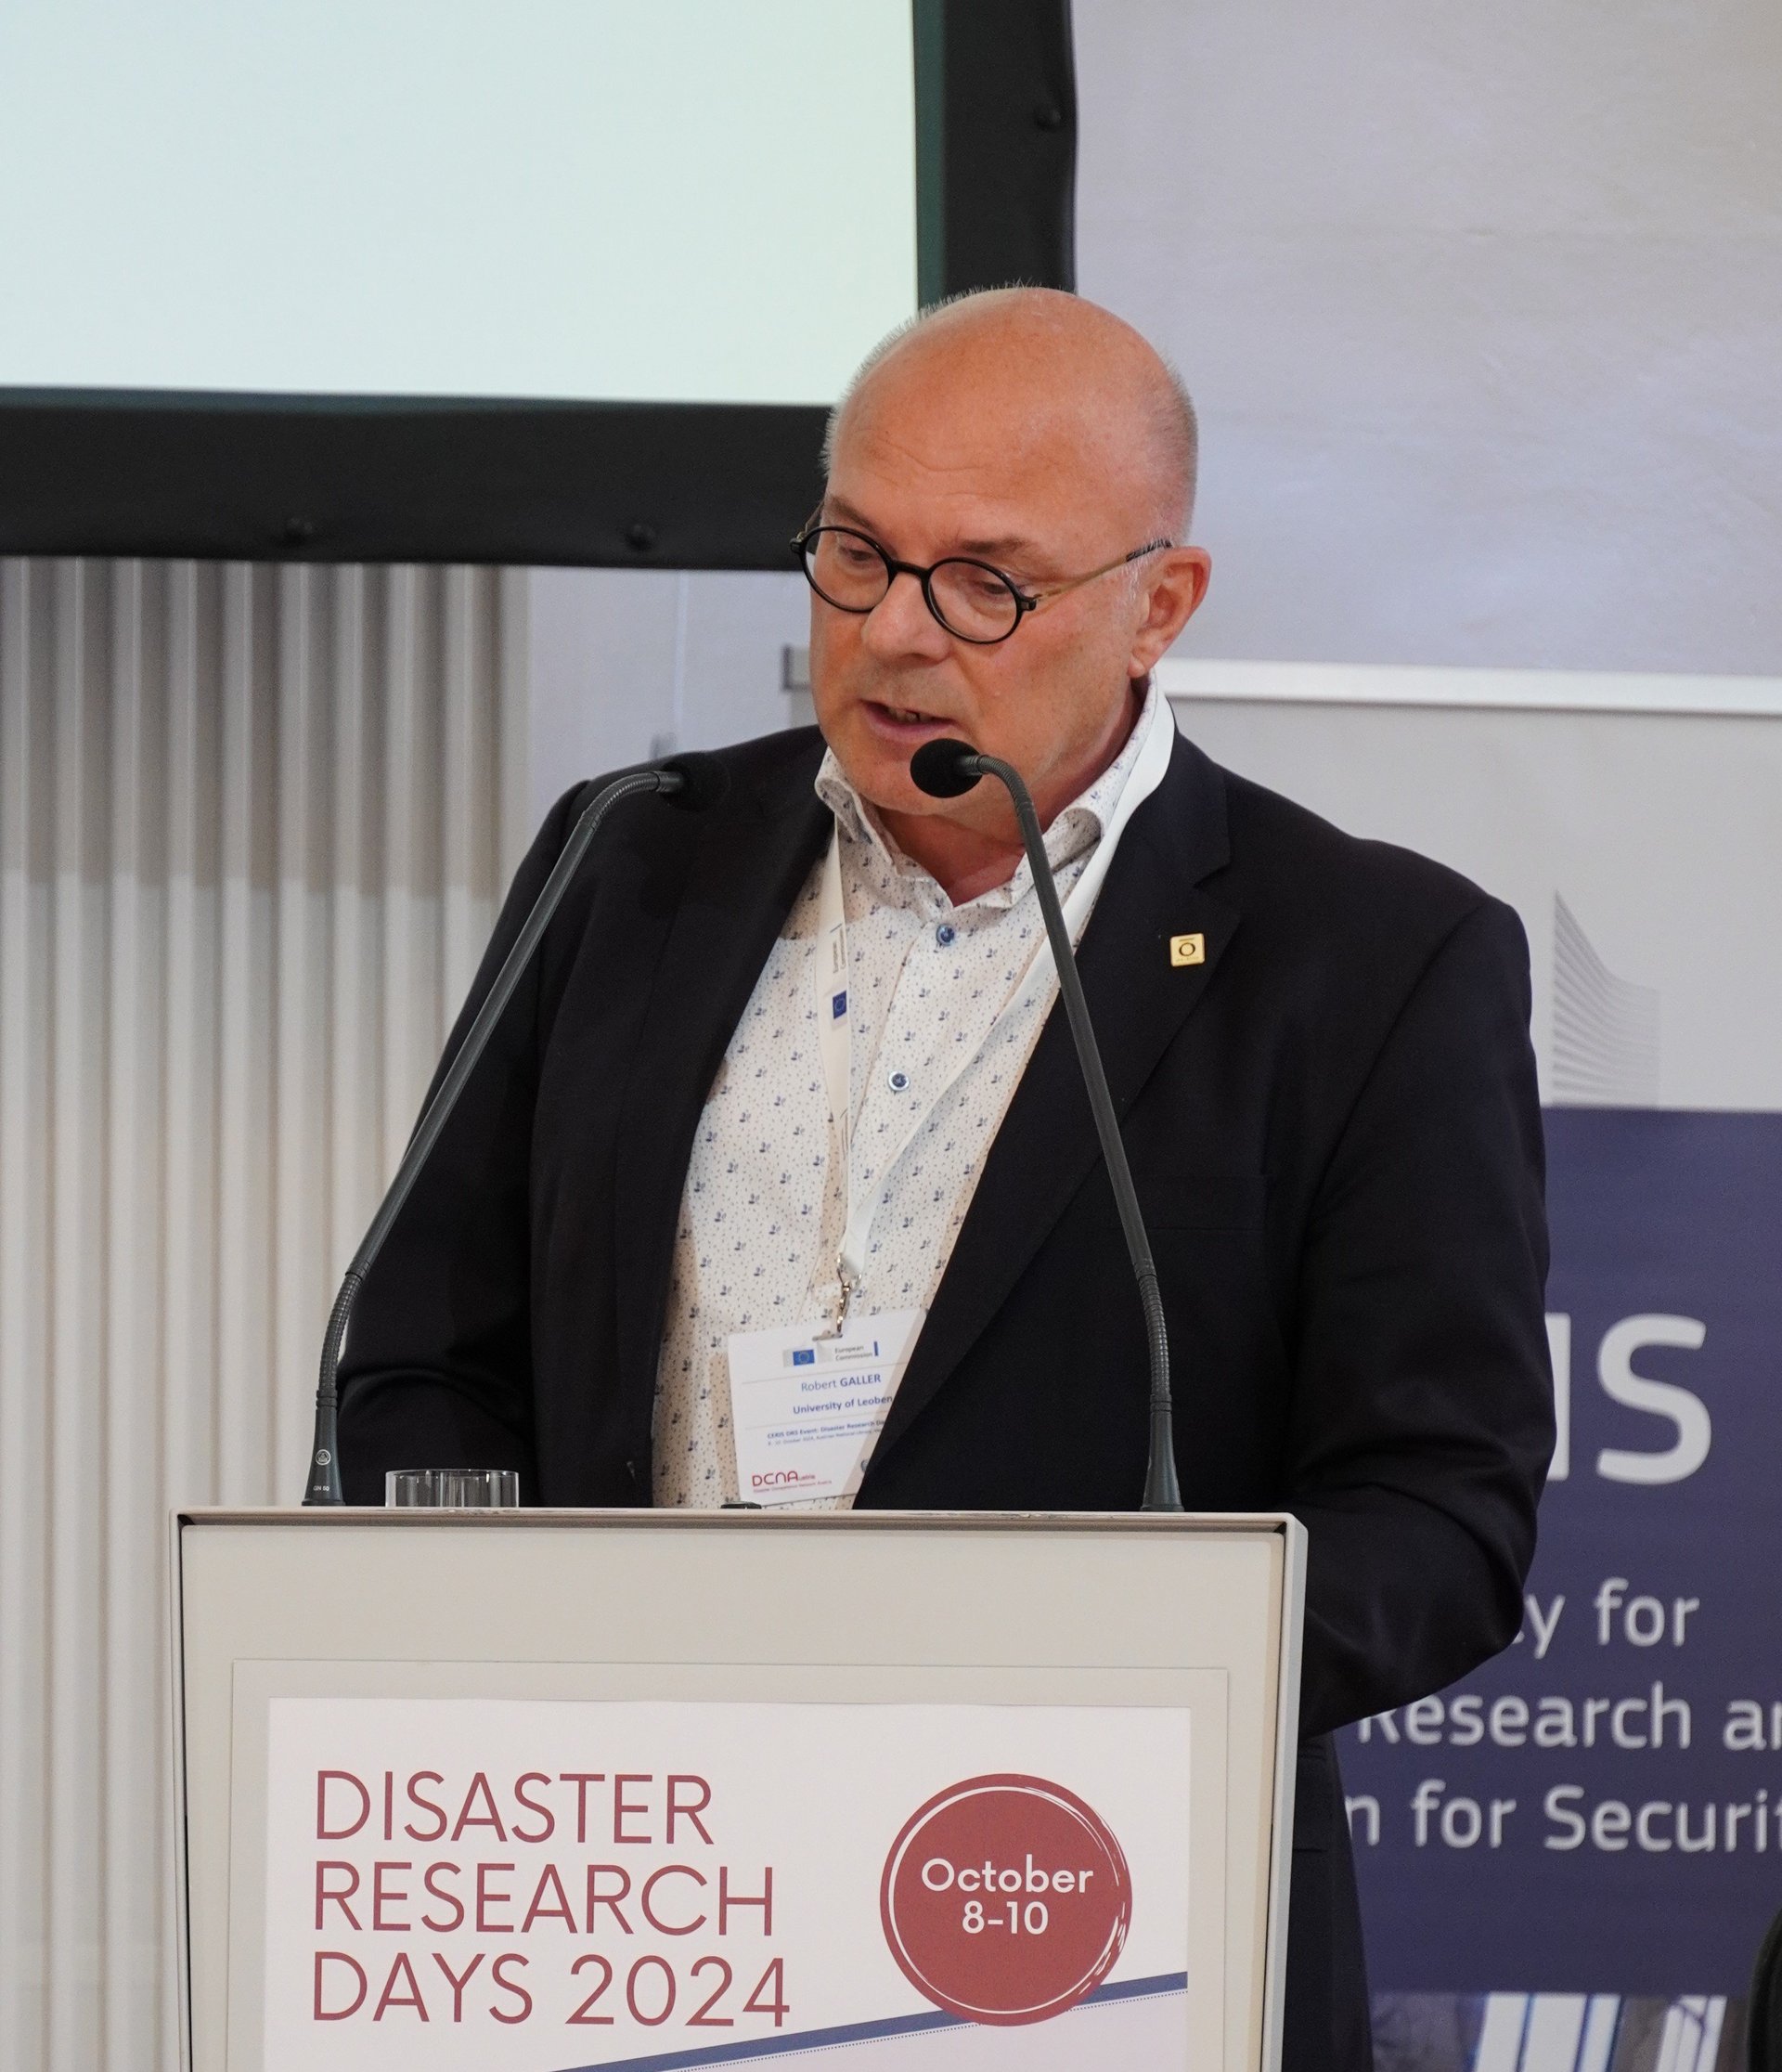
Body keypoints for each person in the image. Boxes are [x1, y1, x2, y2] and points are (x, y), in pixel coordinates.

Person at [339, 288, 1553, 2067]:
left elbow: (1439, 1517)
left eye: (986, 581)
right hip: (636, 1890)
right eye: (855, 554)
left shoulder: (1368, 959)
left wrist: (1105, 1671)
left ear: (1160, 603)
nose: (896, 635)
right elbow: (423, 1341)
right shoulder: (627, 857)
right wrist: (500, 1659)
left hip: (1088, 1917)